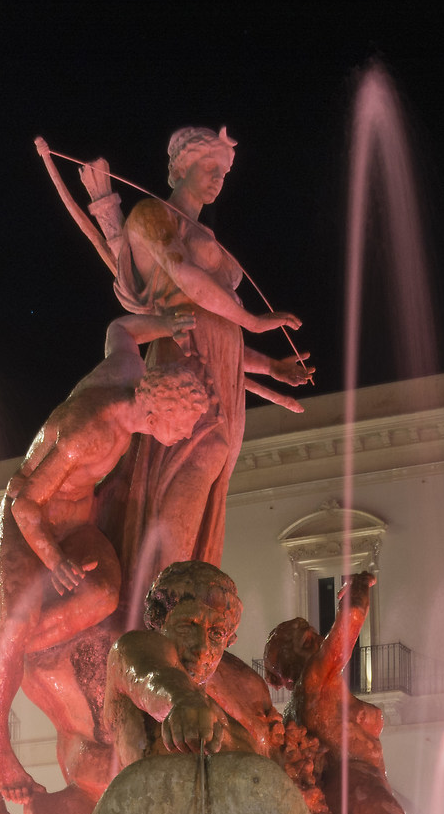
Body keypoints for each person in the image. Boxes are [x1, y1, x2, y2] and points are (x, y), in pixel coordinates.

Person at [0, 311, 208, 802]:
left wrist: (167, 326)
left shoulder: (129, 376)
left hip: (76, 522)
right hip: (28, 527)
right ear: (158, 414)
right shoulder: (89, 430)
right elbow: (26, 504)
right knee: (20, 618)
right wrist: (53, 561)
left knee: (105, 595)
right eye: (181, 427)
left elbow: (119, 333)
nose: (181, 437)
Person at [113, 128, 313, 603]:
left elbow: (223, 332)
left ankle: (185, 599)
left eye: (223, 173)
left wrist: (271, 368)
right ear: (181, 166)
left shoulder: (209, 234)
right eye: (210, 168)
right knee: (195, 458)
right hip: (182, 359)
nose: (218, 180)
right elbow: (184, 276)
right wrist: (253, 320)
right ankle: (165, 605)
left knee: (210, 481)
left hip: (223, 368)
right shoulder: (152, 215)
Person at [262, 571, 415, 814]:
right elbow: (346, 633)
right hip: (359, 786)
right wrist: (358, 593)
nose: (318, 638)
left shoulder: (301, 707)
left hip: (354, 790)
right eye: (307, 638)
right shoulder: (315, 681)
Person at [102, 560, 279, 768]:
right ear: (157, 622)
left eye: (216, 634)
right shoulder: (130, 651)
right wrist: (181, 700)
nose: (202, 647)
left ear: (227, 642)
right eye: (187, 626)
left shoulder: (240, 737)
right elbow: (150, 677)